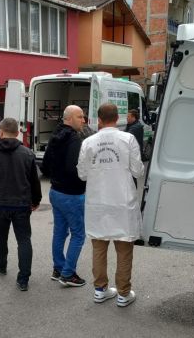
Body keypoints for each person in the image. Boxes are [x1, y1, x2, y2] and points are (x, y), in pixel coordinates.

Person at [77, 103, 145, 307]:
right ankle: (124, 293)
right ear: (118, 118)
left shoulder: (88, 142)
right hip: (122, 201)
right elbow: (138, 171)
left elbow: (82, 174)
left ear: (99, 119)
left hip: (98, 202)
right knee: (124, 249)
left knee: (99, 248)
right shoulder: (128, 139)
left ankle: (100, 290)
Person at [0, 118, 42, 291]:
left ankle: (1, 265)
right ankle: (23, 279)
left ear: (0, 132)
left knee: (0, 237)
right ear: (17, 133)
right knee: (24, 240)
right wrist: (36, 200)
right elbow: (34, 182)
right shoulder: (27, 153)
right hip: (21, 204)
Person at [41, 105, 87, 287]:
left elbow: (44, 165)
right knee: (78, 235)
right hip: (72, 194)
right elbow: (73, 168)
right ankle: (67, 274)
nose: (83, 120)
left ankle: (58, 268)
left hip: (55, 191)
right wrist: (86, 177)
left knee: (60, 232)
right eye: (80, 117)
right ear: (69, 119)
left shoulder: (55, 135)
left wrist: (56, 176)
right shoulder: (74, 139)